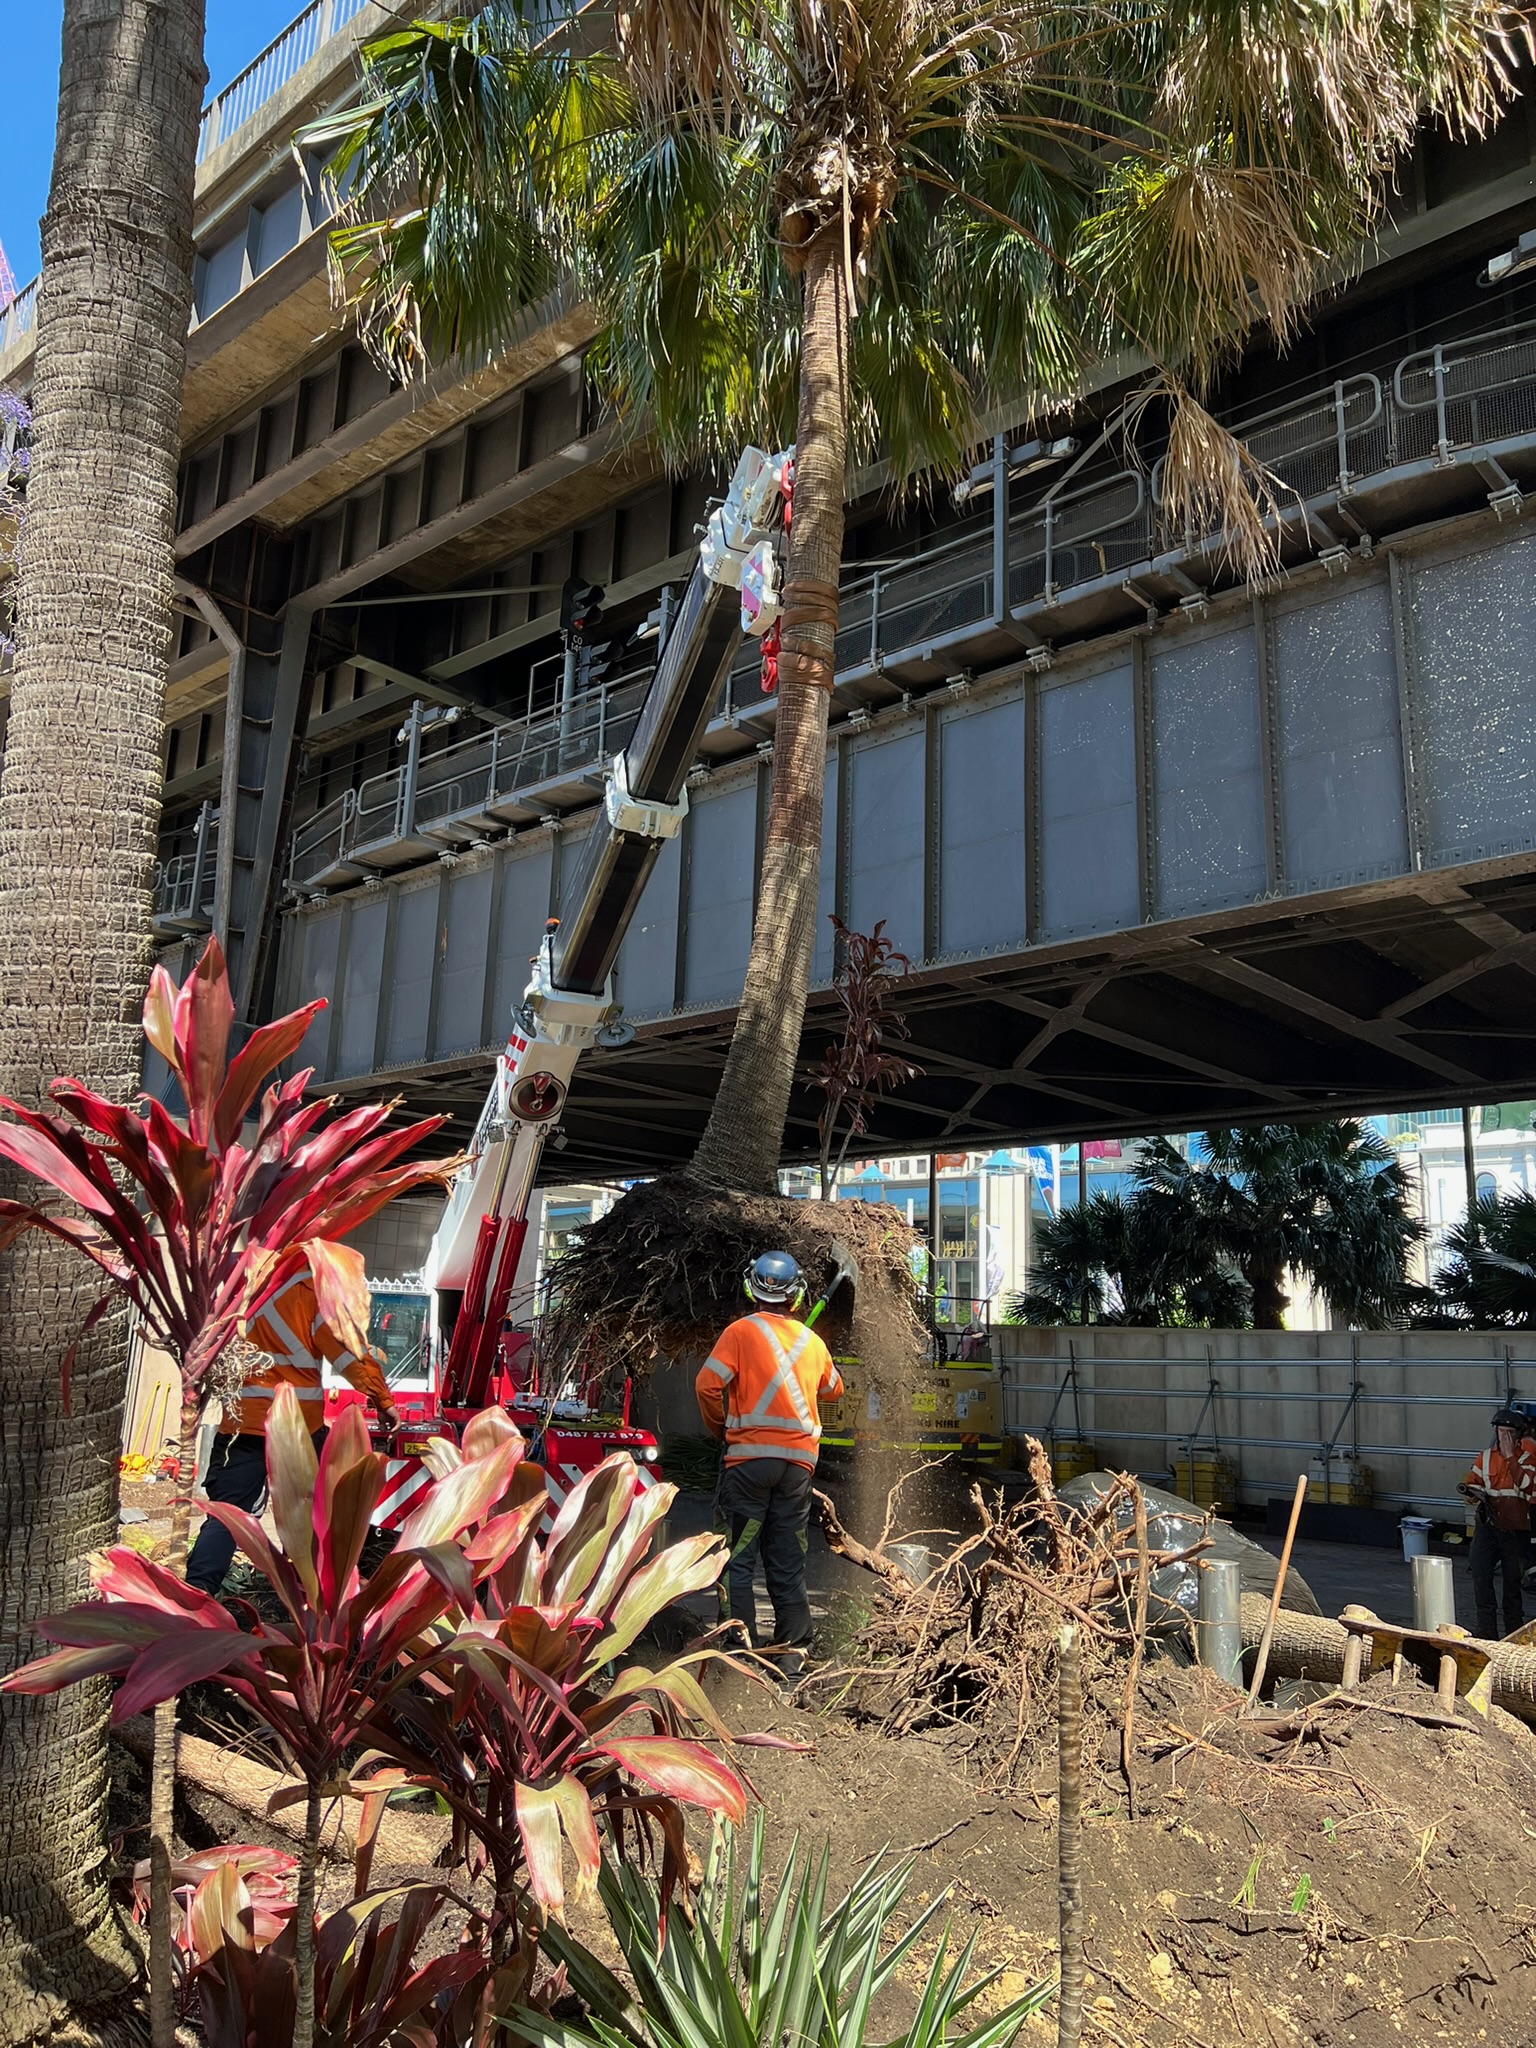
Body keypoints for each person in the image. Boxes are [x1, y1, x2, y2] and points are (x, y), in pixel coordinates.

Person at [186, 1266, 399, 1595]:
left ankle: (197, 1594)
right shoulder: (308, 1292)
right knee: (310, 1514)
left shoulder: (237, 1285)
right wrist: (382, 1399)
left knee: (227, 1516)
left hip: (242, 1426)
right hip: (298, 1428)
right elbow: (348, 1355)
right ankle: (305, 1594)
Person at [695, 1250, 843, 1673]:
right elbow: (834, 1389)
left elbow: (707, 1385)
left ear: (750, 1289)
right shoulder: (812, 1342)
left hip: (748, 1462)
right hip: (797, 1467)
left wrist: (719, 1429)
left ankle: (739, 1652)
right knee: (787, 1557)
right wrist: (803, 1361)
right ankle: (792, 1655)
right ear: (797, 1297)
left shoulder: (740, 1332)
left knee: (738, 1555)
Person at [1458, 1406, 1536, 1640]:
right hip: (1488, 1525)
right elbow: (1474, 1481)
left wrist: (1511, 1456)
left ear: (1519, 1435)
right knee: (1481, 1575)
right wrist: (1472, 1492)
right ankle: (1487, 1635)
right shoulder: (1485, 1457)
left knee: (1512, 1584)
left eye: (1509, 1432)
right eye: (1501, 1431)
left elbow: (1526, 1485)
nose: (1504, 1437)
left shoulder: (1529, 1459)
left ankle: (1513, 1636)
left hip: (1515, 1530)